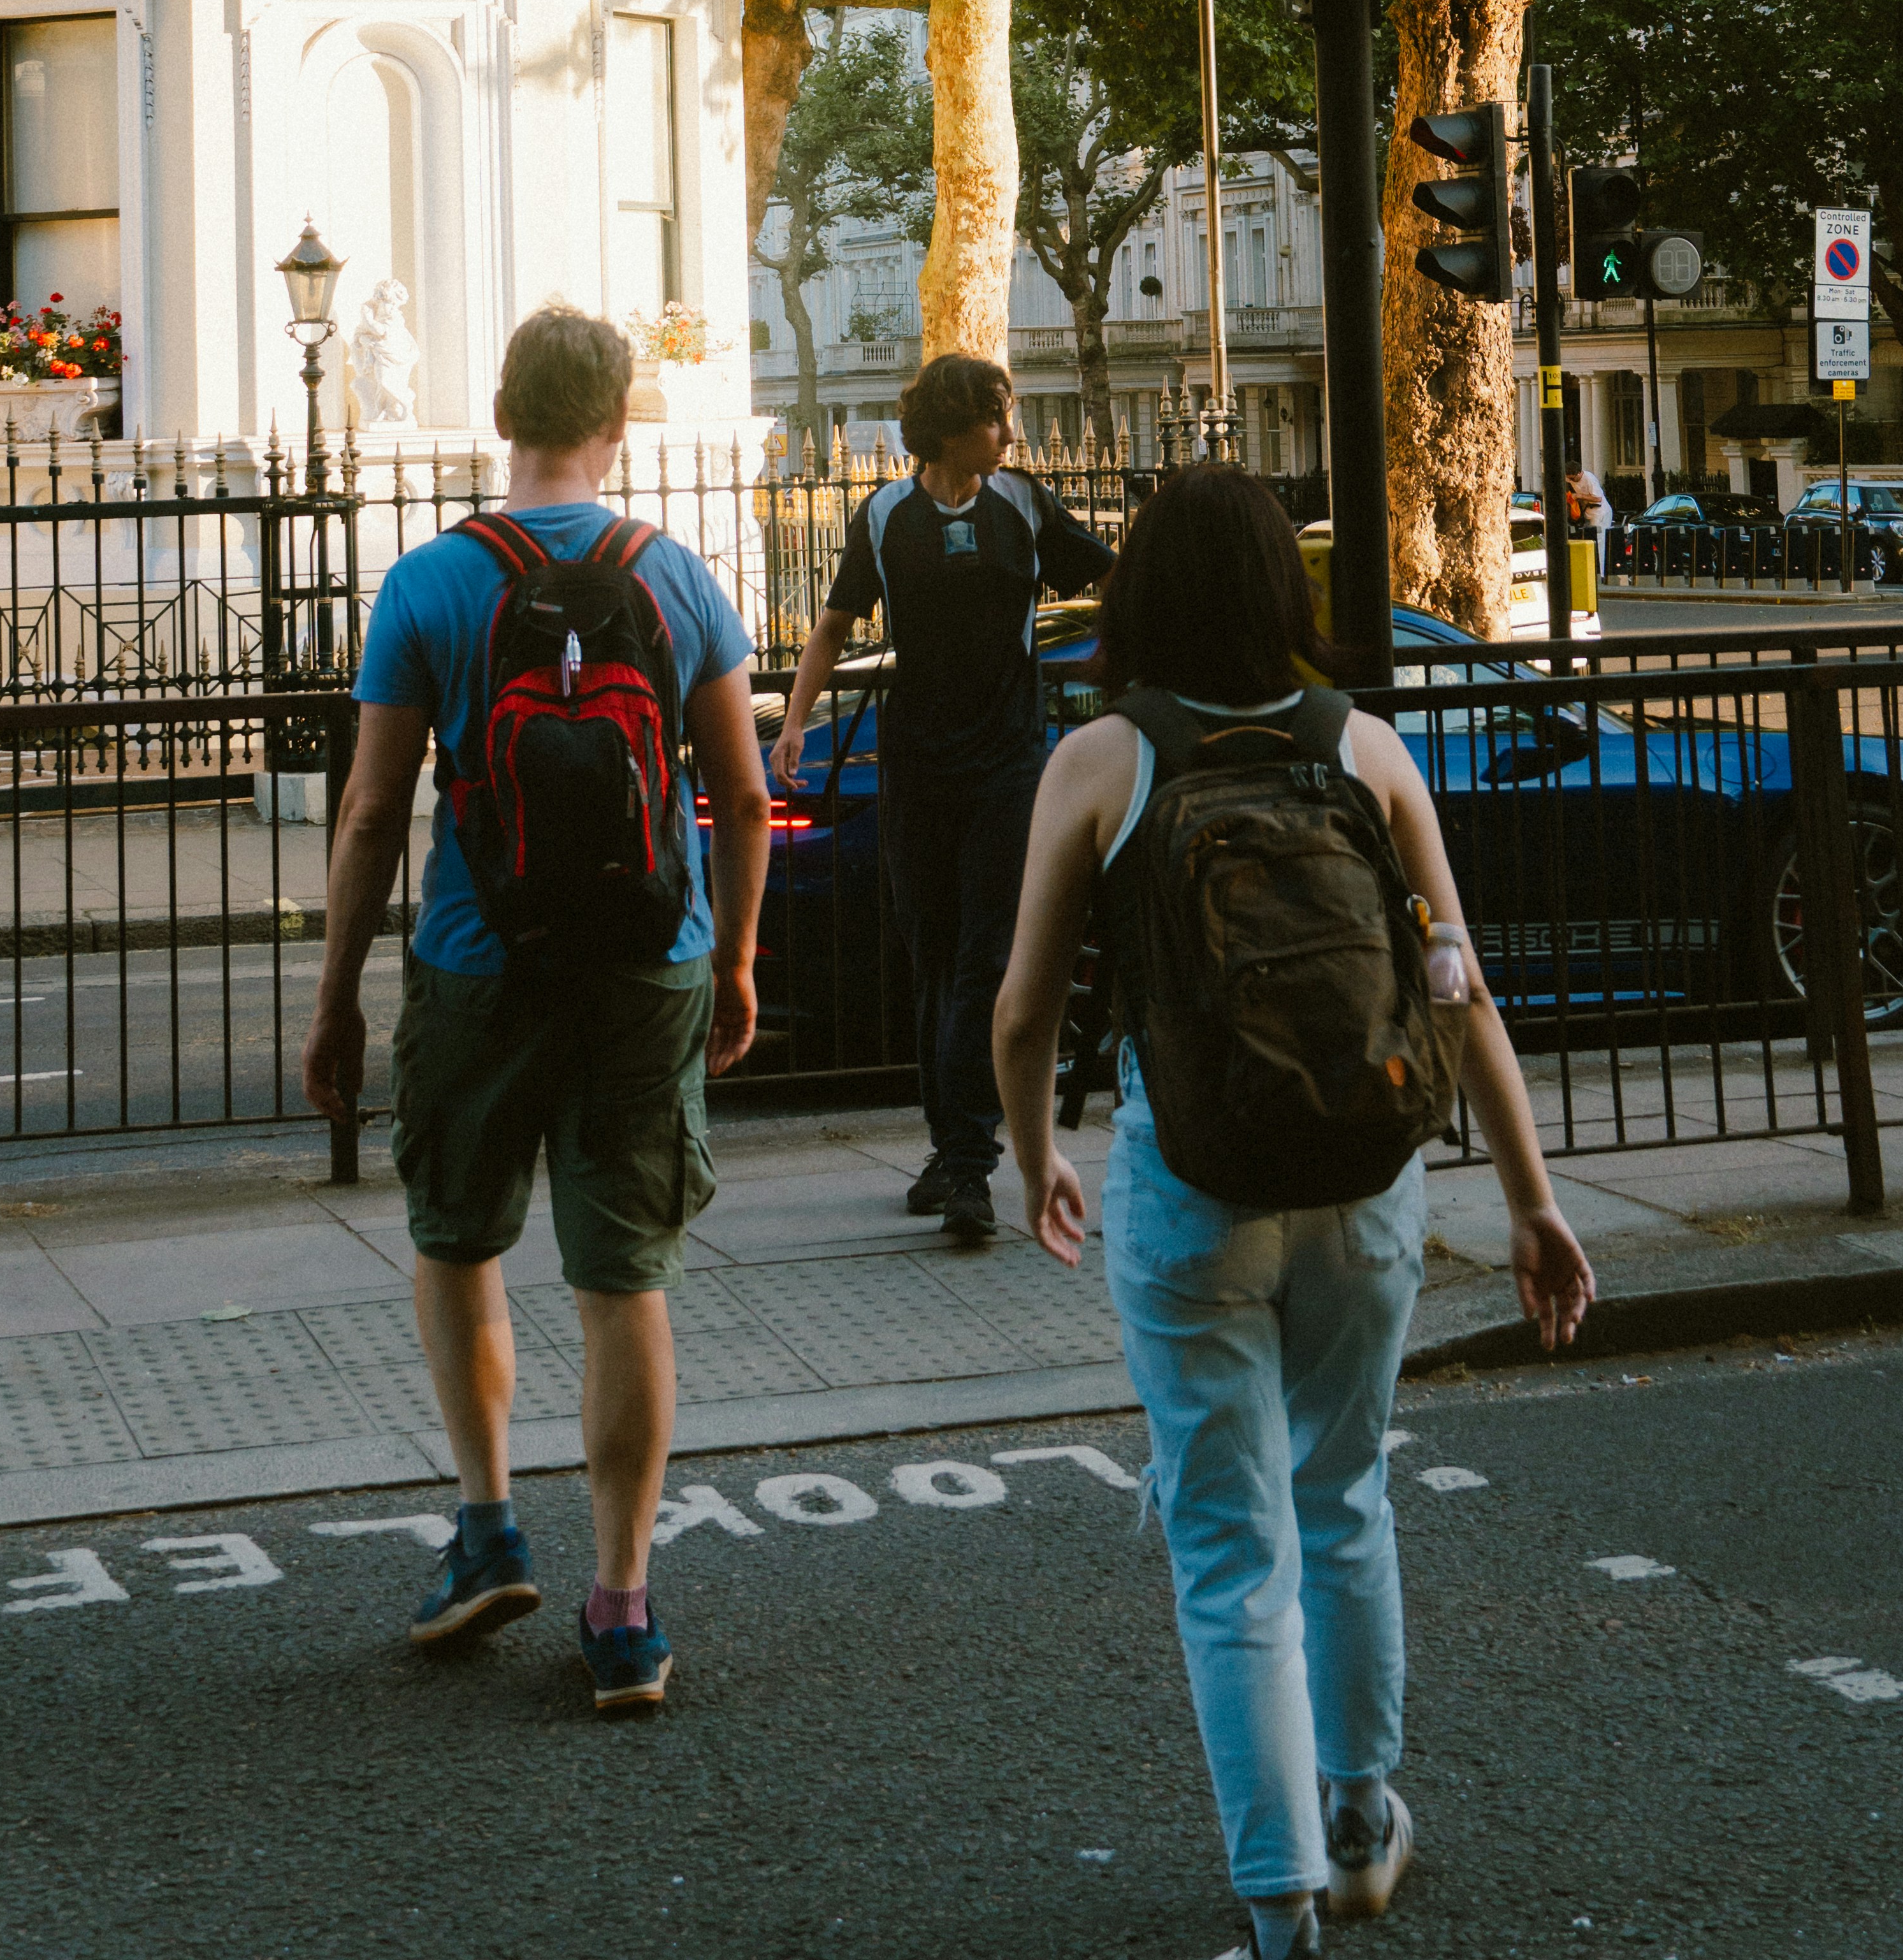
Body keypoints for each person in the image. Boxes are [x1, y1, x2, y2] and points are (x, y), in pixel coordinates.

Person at [994, 463, 1595, 1955]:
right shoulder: (1368, 752)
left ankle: (1278, 1912)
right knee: (1343, 1498)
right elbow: (1458, 986)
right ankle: (1357, 1817)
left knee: (1225, 1545)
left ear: (1139, 595)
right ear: (1283, 590)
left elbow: (1018, 1013)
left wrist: (1031, 1158)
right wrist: (1528, 1202)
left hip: (1192, 1184)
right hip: (1367, 1182)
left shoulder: (1102, 761)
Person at [301, 305, 771, 1713]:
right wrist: (735, 956)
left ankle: (488, 1526)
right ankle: (623, 1608)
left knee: (458, 1235)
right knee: (624, 1276)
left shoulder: (432, 584)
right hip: (648, 965)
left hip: (475, 960)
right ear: (617, 424)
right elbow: (740, 798)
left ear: (500, 416)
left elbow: (376, 810)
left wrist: (337, 1001)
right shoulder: (675, 575)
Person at [771, 351, 1113, 1243]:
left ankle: (969, 1164)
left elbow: (1114, 578)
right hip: (916, 771)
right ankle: (947, 1146)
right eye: (999, 418)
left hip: (1008, 767)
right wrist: (794, 722)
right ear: (956, 427)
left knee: (984, 962)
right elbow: (833, 627)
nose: (1012, 433)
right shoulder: (885, 516)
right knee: (932, 963)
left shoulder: (1027, 506)